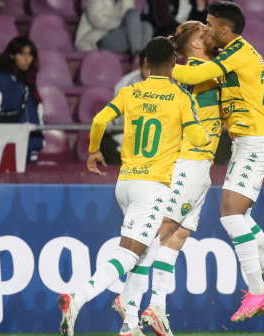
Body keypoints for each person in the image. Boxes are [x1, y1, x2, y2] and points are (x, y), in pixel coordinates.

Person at [57, 36, 210, 336]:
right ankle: (77, 300)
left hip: (125, 182)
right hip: (152, 187)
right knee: (129, 253)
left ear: (147, 64)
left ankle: (130, 324)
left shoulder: (130, 91)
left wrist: (93, 151)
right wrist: (205, 133)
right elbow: (197, 139)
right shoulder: (181, 98)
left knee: (146, 252)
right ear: (173, 63)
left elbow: (100, 120)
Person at [168, 1, 264, 322]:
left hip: (255, 142)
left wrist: (165, 66)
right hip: (247, 142)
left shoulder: (239, 52)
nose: (206, 30)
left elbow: (204, 72)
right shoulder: (230, 53)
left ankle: (256, 291)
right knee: (242, 217)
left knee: (230, 215)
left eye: (209, 25)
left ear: (224, 29)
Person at [110, 21, 222, 336]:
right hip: (188, 161)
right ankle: (127, 306)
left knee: (178, 236)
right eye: (206, 33)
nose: (213, 36)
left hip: (203, 164)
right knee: (157, 235)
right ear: (197, 44)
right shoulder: (196, 71)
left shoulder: (197, 71)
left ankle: (156, 305)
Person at [0, 37, 45, 163]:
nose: (27, 59)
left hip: (31, 155)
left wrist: (39, 140)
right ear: (12, 55)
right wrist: (8, 143)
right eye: (22, 54)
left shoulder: (30, 81)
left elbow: (38, 115)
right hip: (6, 156)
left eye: (30, 54)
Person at [74, 0, 153, 54]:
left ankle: (141, 56)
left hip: (118, 34)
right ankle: (138, 56)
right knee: (133, 34)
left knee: (146, 26)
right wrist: (119, 24)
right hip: (98, 38)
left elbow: (130, 17)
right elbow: (97, 20)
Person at [141, 0, 208, 36]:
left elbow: (201, 18)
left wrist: (200, 7)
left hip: (187, 28)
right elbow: (162, 18)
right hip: (169, 27)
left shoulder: (193, 2)